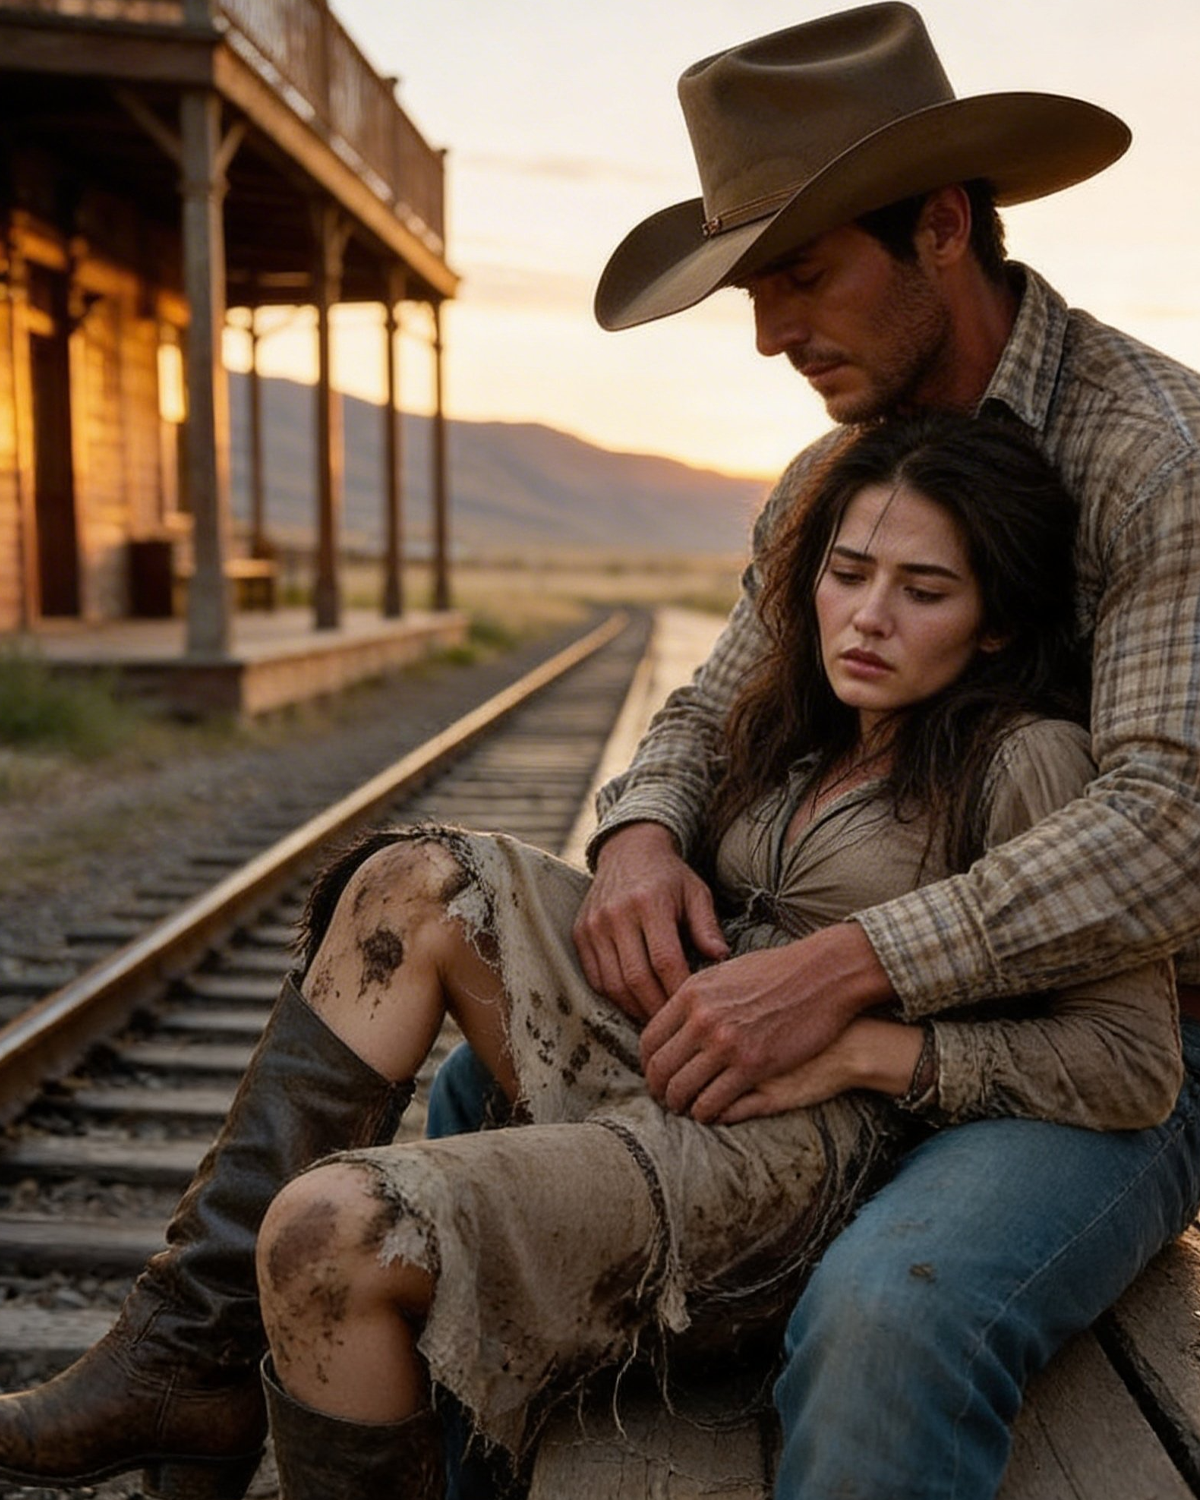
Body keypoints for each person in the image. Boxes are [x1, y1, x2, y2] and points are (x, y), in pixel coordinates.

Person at [426, 5, 1200, 1497]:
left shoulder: (1158, 460)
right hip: (831, 960)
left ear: (944, 228)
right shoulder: (829, 477)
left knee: (891, 1319)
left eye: (799, 273)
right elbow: (712, 705)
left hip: (1116, 1052)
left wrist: (844, 974)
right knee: (469, 1109)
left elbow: (1174, 823)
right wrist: (641, 837)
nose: (772, 332)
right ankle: (224, 1359)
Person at [232, 414, 1180, 1497]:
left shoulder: (1028, 764)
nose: (868, 618)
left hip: (773, 1162)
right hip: (661, 1056)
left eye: (925, 592)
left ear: (998, 623)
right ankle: (191, 1352)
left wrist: (871, 1053)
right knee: (407, 881)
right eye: (849, 572)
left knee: (328, 1233)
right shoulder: (795, 722)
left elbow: (1133, 1063)